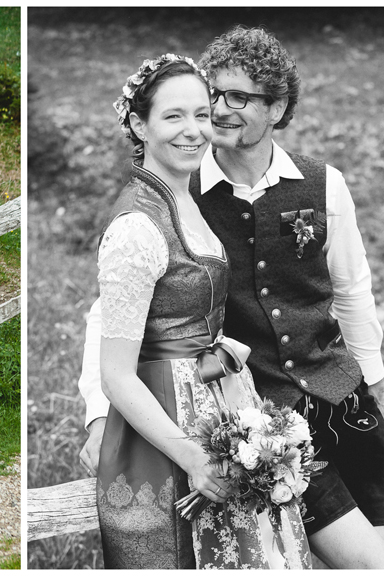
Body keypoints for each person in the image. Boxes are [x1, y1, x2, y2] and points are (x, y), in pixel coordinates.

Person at [79, 26, 384, 569]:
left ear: (277, 108)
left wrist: (374, 390)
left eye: (240, 98)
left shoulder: (323, 184)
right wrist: (98, 413)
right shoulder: (184, 198)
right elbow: (110, 315)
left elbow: (352, 292)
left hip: (343, 401)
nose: (220, 112)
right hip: (263, 415)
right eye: (216, 96)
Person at [92, 53, 310, 569]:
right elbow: (116, 374)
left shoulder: (185, 198)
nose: (193, 131)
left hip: (217, 396)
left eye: (200, 114)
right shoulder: (135, 229)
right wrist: (191, 454)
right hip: (168, 421)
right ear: (138, 124)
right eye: (173, 117)